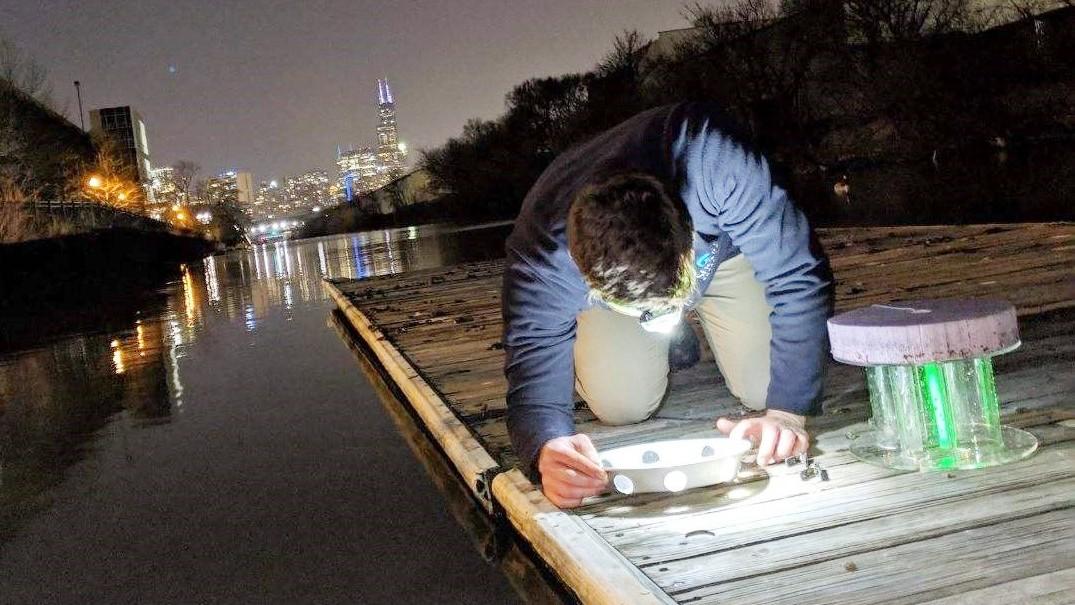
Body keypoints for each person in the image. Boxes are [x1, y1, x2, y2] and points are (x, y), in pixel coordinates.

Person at [502, 103, 833, 508]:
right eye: (651, 312)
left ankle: (688, 306)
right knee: (621, 405)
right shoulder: (541, 256)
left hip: (724, 256)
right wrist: (546, 450)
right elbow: (532, 371)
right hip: (620, 294)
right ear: (584, 276)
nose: (661, 316)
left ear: (686, 225)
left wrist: (787, 413)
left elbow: (796, 275)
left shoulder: (716, 160)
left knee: (767, 384)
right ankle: (670, 338)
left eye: (668, 307)